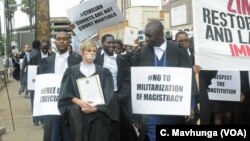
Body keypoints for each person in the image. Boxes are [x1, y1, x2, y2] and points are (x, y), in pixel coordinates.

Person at [132, 20, 188, 141]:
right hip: (151, 112)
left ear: (160, 35)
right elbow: (136, 82)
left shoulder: (178, 50)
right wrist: (136, 114)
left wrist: (191, 104)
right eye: (145, 35)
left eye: (149, 36)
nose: (146, 39)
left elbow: (188, 78)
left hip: (174, 109)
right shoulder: (142, 52)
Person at [58, 39, 119, 141]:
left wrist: (96, 108)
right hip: (78, 114)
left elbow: (109, 95)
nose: (92, 53)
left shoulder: (104, 72)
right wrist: (80, 102)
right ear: (82, 52)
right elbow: (65, 94)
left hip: (99, 114)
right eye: (89, 50)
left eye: (94, 51)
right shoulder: (71, 71)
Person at [37, 31, 81, 141]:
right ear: (55, 41)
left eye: (64, 39)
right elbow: (40, 87)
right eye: (59, 39)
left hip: (71, 105)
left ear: (69, 41)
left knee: (70, 136)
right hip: (52, 106)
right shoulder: (45, 62)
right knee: (53, 136)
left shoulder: (77, 61)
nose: (61, 41)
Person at [95, 34, 138, 141]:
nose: (111, 45)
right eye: (108, 42)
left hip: (116, 98)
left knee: (119, 127)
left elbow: (127, 79)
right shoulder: (96, 57)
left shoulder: (120, 59)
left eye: (113, 42)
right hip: (100, 99)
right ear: (102, 44)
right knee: (102, 128)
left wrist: (120, 96)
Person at [29, 39, 52, 126]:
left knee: (45, 101)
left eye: (46, 48)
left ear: (49, 47)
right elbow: (30, 71)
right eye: (43, 48)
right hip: (36, 82)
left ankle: (44, 120)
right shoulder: (34, 57)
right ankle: (36, 119)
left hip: (48, 82)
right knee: (35, 100)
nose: (45, 49)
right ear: (40, 47)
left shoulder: (52, 56)